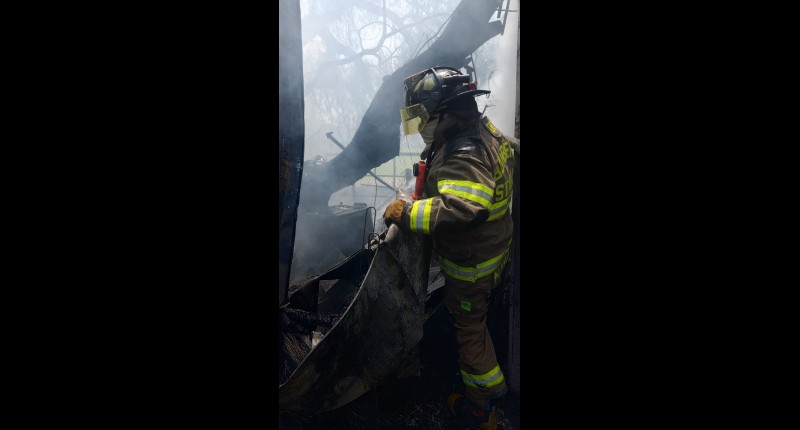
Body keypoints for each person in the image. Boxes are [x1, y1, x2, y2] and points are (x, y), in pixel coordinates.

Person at [383, 66, 518, 430]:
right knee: (477, 316)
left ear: (440, 112)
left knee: (469, 329)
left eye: (420, 117)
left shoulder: (463, 151)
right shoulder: (485, 132)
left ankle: (483, 403)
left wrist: (409, 211)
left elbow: (463, 208)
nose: (419, 127)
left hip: (472, 263)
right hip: (494, 250)